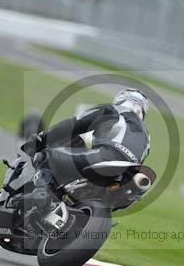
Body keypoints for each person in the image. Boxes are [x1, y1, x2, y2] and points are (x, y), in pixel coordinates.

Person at [22, 88, 151, 209]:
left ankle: (39, 195)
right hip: (125, 176)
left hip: (105, 156)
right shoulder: (147, 137)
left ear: (121, 100)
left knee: (47, 157)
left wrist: (41, 139)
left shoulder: (114, 110)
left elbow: (73, 125)